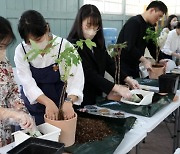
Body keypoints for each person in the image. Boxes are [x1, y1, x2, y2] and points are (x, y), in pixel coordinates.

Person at [14, 10, 84, 125]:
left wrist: (68, 101)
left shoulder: (64, 47)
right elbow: (27, 83)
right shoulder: (21, 51)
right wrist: (47, 102)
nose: (36, 46)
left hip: (60, 106)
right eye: (30, 43)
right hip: (33, 107)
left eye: (38, 40)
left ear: (47, 29)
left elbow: (76, 80)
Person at [67, 4, 140, 107]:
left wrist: (127, 79)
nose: (92, 30)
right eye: (88, 25)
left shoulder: (97, 43)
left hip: (96, 96)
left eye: (95, 26)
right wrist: (116, 87)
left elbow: (109, 64)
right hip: (80, 98)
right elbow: (89, 74)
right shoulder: (73, 45)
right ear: (80, 23)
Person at [0, 16, 34, 147]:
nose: (3, 52)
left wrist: (21, 113)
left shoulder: (4, 63)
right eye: (1, 46)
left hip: (4, 136)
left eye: (5, 46)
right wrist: (12, 114)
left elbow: (12, 92)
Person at [116, 1, 168, 78]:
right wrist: (145, 60)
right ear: (152, 10)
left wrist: (161, 59)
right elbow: (129, 46)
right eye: (159, 16)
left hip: (134, 64)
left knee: (136, 86)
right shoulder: (134, 22)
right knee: (126, 87)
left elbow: (152, 46)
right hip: (123, 64)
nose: (158, 19)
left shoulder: (150, 27)